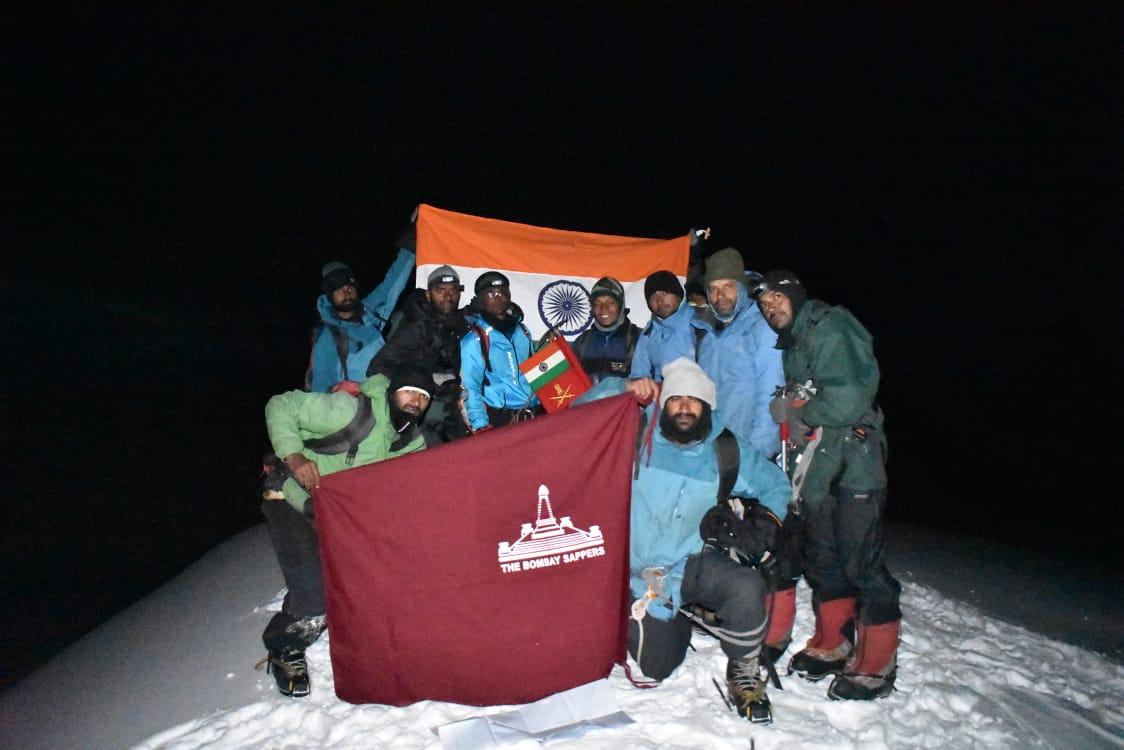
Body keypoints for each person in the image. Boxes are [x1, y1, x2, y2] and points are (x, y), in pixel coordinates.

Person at [579, 357, 790, 723]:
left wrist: (764, 525)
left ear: (708, 406)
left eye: (694, 400)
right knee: (658, 665)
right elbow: (578, 415)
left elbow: (776, 485)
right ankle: (664, 615)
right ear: (664, 403)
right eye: (676, 399)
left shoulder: (726, 449)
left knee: (745, 585)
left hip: (691, 562)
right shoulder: (634, 431)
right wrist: (622, 387)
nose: (684, 408)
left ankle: (743, 669)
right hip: (636, 567)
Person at [751, 269, 901, 701]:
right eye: (764, 305)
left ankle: (878, 662)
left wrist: (798, 410)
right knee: (824, 559)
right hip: (819, 467)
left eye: (776, 299)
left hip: (855, 464)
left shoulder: (831, 327)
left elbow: (851, 397)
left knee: (862, 563)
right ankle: (835, 643)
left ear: (795, 296)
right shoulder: (795, 344)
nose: (770, 308)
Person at [259, 365, 431, 697]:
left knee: (380, 576)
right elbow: (280, 404)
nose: (415, 401)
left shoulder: (409, 442)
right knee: (313, 591)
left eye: (423, 397)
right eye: (410, 391)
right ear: (393, 392)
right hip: (291, 496)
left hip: (338, 511)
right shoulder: (350, 412)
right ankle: (285, 646)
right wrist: (293, 456)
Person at [690, 247, 785, 458]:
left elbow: (771, 394)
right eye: (712, 288)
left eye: (727, 286)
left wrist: (757, 454)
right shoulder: (704, 333)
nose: (719, 295)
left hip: (749, 452)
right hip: (712, 451)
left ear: (741, 288)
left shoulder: (762, 328)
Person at [367, 265, 471, 445]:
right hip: (420, 413)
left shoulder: (461, 325)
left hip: (453, 410)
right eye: (440, 290)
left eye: (453, 290)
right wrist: (422, 382)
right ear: (429, 294)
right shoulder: (417, 328)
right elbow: (376, 367)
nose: (448, 296)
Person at [304, 236, 415, 393]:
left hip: (390, 389)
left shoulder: (369, 311)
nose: (346, 291)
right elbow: (320, 392)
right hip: (361, 406)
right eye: (338, 288)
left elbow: (393, 281)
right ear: (330, 296)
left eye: (350, 286)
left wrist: (412, 238)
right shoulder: (329, 338)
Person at [459, 271, 541, 432]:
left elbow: (534, 372)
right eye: (491, 294)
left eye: (503, 292)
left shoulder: (522, 331)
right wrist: (480, 426)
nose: (499, 297)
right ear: (481, 300)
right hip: (501, 418)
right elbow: (470, 387)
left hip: (534, 413)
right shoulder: (476, 339)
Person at [570, 276, 641, 384]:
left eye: (611, 302)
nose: (603, 308)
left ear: (620, 305)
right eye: (597, 303)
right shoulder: (582, 342)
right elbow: (567, 380)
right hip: (587, 400)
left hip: (625, 400)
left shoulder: (638, 338)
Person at [629, 270, 695, 381]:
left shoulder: (698, 323)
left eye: (664, 293)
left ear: (678, 295)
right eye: (653, 297)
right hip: (662, 395)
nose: (659, 301)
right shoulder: (648, 333)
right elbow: (639, 375)